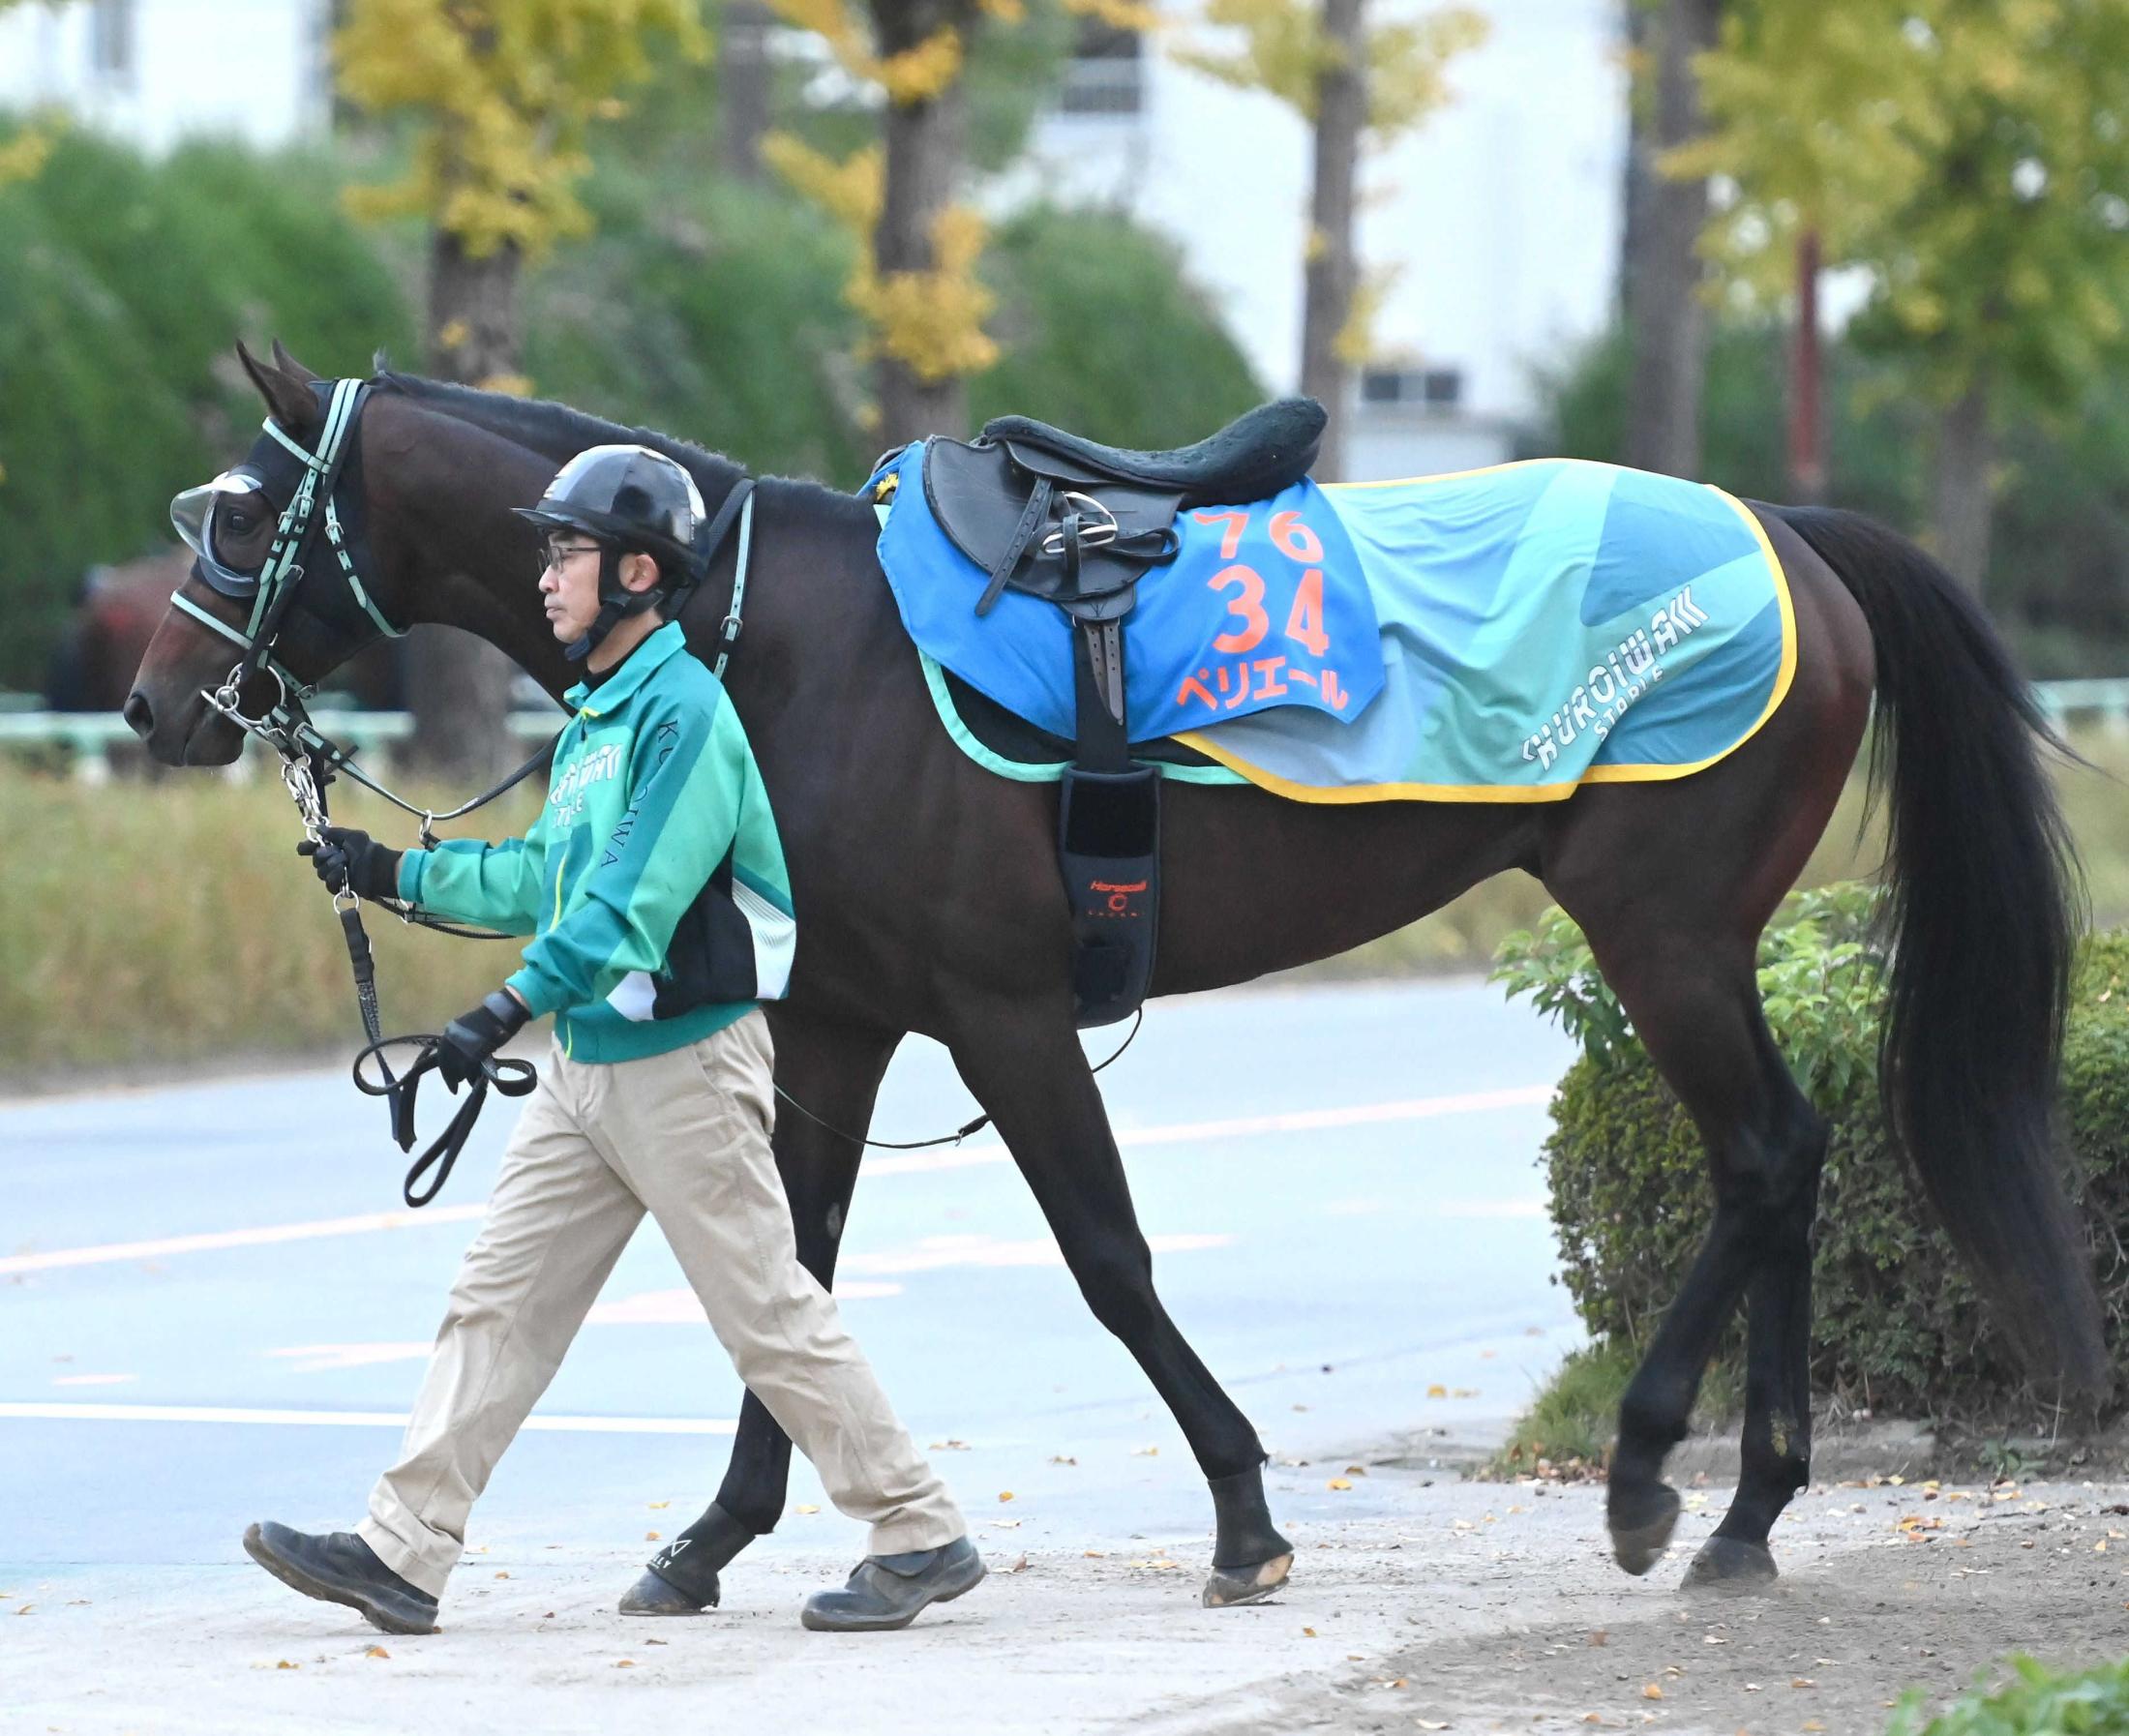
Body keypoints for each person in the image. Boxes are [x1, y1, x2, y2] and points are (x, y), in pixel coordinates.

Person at [243, 444, 980, 1635]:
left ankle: (919, 1527)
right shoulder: (599, 720)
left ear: (639, 571)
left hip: (684, 1067)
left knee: (766, 1315)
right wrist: (390, 870)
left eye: (567, 551)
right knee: (497, 1303)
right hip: (591, 1068)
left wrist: (496, 1013)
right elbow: (545, 873)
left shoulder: (685, 716)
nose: (545, 574)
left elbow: (625, 908)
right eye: (548, 550)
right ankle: (403, 1548)